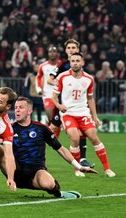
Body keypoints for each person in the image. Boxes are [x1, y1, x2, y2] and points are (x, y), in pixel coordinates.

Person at [0, 97, 98, 198]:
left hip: (36, 173)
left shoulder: (41, 129)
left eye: (21, 108)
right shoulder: (8, 128)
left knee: (48, 183)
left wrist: (78, 166)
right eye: (16, 107)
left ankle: (59, 193)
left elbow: (61, 149)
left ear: (29, 111)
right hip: (14, 171)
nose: (17, 110)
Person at [51, 52, 116, 177]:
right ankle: (77, 169)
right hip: (68, 113)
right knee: (75, 138)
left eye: (77, 61)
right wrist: (59, 106)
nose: (75, 63)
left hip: (83, 113)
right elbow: (54, 96)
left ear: (82, 62)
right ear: (70, 62)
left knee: (94, 137)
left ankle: (107, 169)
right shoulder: (62, 77)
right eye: (72, 61)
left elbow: (90, 99)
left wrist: (95, 116)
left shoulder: (89, 79)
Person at [48, 39, 94, 172]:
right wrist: (61, 84)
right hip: (63, 105)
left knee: (81, 131)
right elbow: (50, 79)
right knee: (51, 128)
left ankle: (82, 158)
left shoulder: (79, 64)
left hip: (78, 107)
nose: (71, 50)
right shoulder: (62, 65)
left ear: (78, 49)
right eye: (69, 48)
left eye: (74, 47)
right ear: (66, 50)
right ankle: (41, 150)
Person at [35, 46, 61, 125]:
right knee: (51, 117)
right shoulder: (43, 66)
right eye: (50, 52)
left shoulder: (61, 65)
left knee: (57, 121)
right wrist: (39, 89)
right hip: (48, 94)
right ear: (48, 54)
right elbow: (38, 78)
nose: (52, 54)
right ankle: (48, 123)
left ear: (57, 53)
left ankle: (52, 133)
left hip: (60, 95)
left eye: (54, 51)